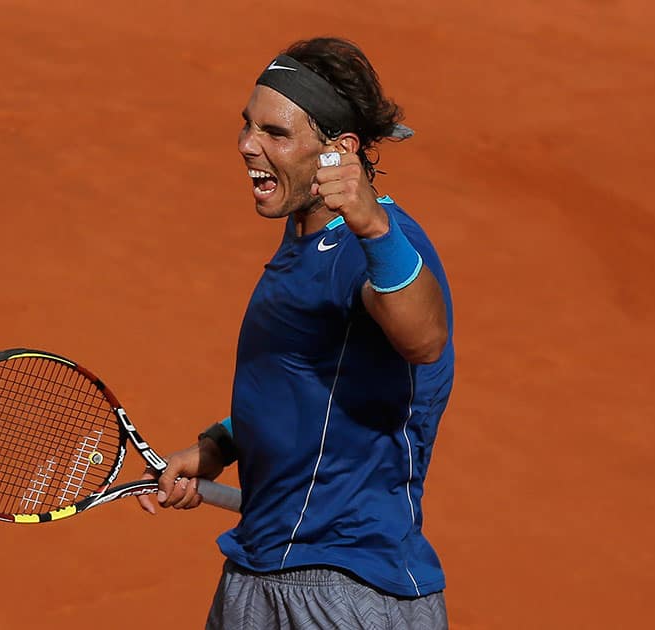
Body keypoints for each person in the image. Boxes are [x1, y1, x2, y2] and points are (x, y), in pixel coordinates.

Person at [137, 36, 454, 629]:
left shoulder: (375, 251)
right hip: (261, 569)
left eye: (276, 134)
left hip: (346, 587)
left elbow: (425, 340)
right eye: (247, 126)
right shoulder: (304, 240)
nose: (247, 146)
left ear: (340, 152)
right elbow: (311, 379)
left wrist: (375, 228)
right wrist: (218, 447)